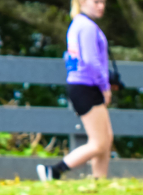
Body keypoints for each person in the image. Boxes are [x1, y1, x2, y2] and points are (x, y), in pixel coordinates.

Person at [37, 0, 116, 181]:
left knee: (106, 138)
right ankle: (54, 171)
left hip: (82, 85)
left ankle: (99, 180)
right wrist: (105, 87)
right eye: (96, 2)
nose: (101, 6)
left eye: (103, 2)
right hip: (87, 86)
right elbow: (90, 61)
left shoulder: (77, 24)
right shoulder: (87, 27)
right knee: (98, 143)